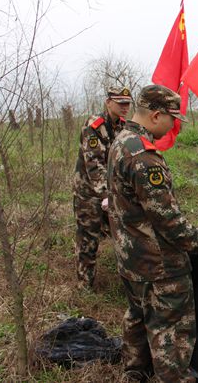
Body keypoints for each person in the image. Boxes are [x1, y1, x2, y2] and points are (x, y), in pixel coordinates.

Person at [107, 84, 198, 383]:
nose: (175, 125)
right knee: (170, 327)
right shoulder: (144, 157)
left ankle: (135, 373)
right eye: (173, 118)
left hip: (130, 256)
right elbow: (167, 219)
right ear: (156, 115)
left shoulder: (122, 140)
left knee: (138, 315)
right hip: (158, 263)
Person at [72, 86, 131, 289]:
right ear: (108, 103)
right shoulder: (94, 125)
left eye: (128, 104)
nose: (125, 107)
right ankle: (84, 286)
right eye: (120, 103)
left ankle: (128, 280)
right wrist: (105, 195)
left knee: (123, 233)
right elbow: (94, 163)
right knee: (88, 239)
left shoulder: (123, 126)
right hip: (88, 193)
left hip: (112, 193)